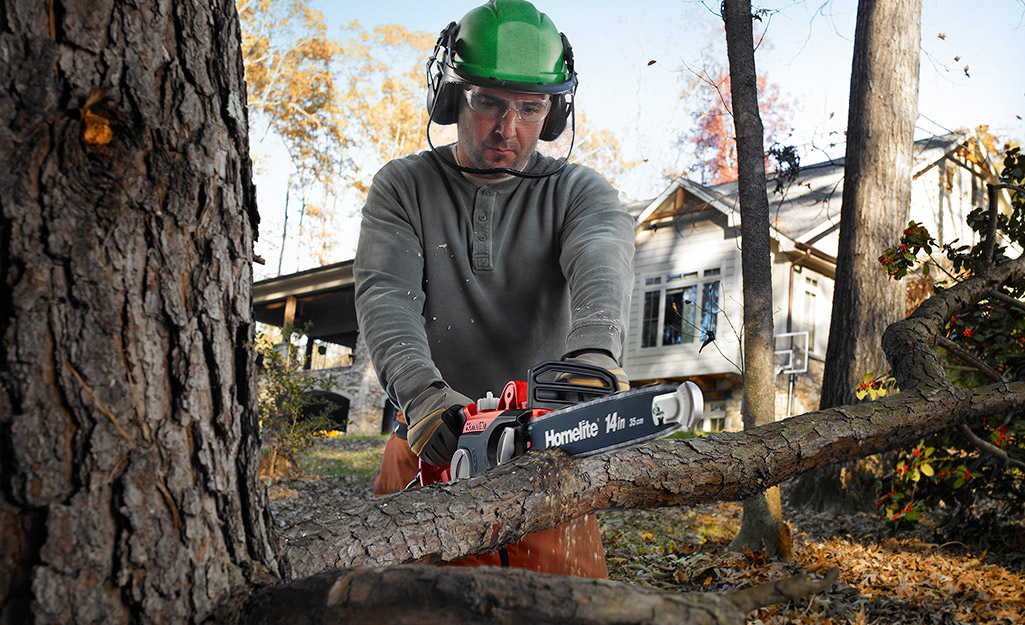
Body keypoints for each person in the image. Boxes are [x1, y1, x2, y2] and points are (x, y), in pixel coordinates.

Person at [353, 0, 634, 579]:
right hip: (428, 438)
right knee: (399, 612)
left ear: (554, 113)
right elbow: (386, 297)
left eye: (531, 108)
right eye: (488, 103)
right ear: (452, 95)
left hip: (545, 458)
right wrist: (424, 397)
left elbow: (600, 254)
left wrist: (595, 355)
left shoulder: (579, 192)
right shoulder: (404, 187)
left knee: (573, 614)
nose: (508, 128)